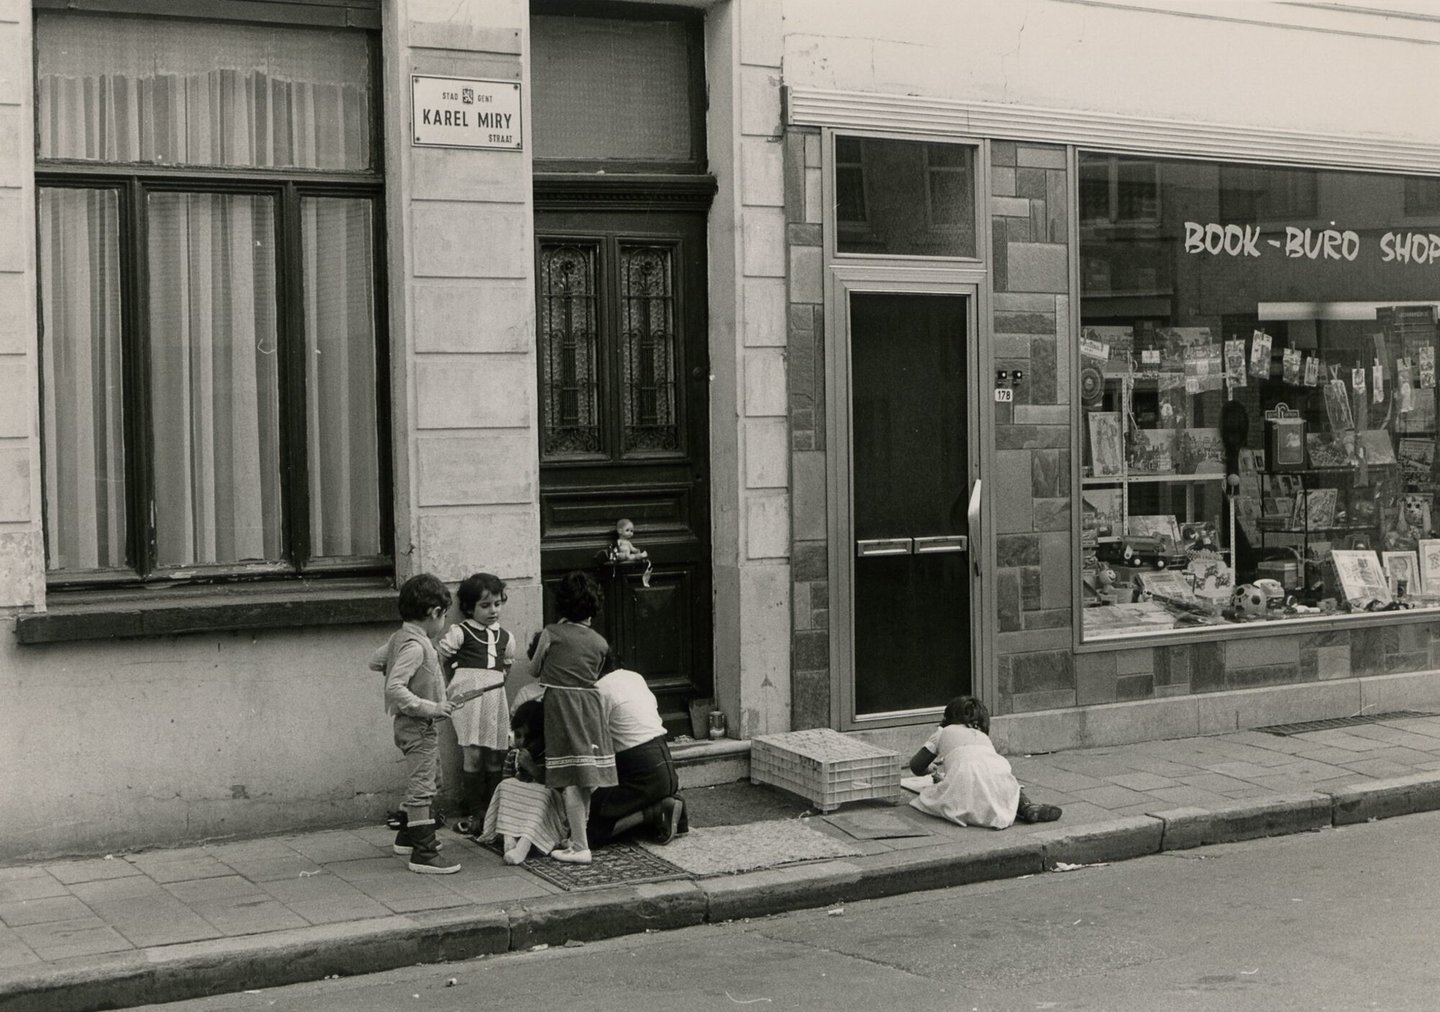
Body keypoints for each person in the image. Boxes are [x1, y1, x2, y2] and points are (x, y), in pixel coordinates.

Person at [367, 574, 461, 874]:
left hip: (418, 726)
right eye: (444, 616)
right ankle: (424, 853)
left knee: (432, 779)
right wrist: (432, 706)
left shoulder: (400, 638)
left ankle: (408, 837)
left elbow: (375, 661)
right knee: (422, 787)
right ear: (434, 612)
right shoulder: (416, 647)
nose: (443, 622)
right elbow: (395, 687)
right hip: (418, 725)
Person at [528, 571, 617, 865]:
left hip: (562, 708)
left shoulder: (551, 633)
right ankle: (579, 838)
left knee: (569, 777)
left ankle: (580, 847)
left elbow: (534, 669)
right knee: (584, 777)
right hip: (590, 708)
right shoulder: (600, 642)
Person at [437, 572, 515, 838]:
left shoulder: (506, 637)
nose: (493, 610)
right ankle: (475, 811)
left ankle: (493, 811)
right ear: (470, 608)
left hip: (494, 700)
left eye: (497, 604)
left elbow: (506, 668)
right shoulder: (460, 632)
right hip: (469, 701)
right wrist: (452, 686)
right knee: (473, 754)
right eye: (485, 605)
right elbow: (441, 659)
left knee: (494, 755)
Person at [908, 695, 1062, 830]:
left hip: (964, 780)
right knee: (1009, 789)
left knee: (943, 793)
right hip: (998, 772)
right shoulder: (981, 735)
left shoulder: (942, 732)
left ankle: (974, 807)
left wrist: (929, 771)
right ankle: (1026, 806)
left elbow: (916, 765)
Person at [588, 653, 686, 847]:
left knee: (587, 831)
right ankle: (662, 806)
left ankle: (653, 811)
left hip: (641, 770)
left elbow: (593, 741)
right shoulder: (634, 677)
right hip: (665, 767)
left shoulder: (599, 689)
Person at [480, 700, 568, 865]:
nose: (522, 742)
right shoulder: (513, 756)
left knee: (543, 793)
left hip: (545, 815)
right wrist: (519, 776)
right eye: (518, 735)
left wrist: (533, 769)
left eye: (529, 738)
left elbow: (559, 787)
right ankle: (509, 839)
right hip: (517, 814)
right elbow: (507, 793)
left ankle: (523, 846)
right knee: (506, 786)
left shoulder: (552, 755)